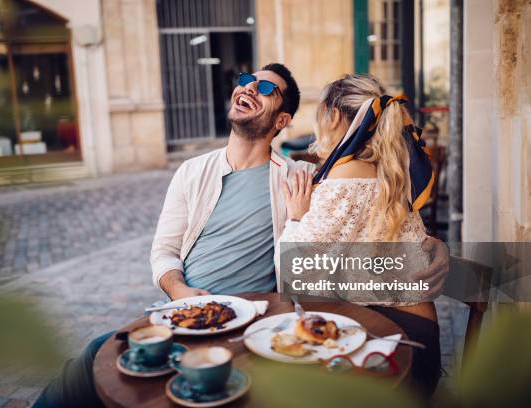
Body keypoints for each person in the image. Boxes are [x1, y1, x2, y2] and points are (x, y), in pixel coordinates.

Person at [33, 65, 448, 407]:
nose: (249, 86)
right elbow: (163, 250)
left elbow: (340, 244)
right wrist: (178, 289)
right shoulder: (191, 172)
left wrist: (431, 258)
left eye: (266, 87)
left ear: (283, 121)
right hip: (187, 313)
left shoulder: (305, 179)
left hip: (257, 319)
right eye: (245, 79)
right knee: (95, 357)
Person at [279, 74, 443, 396]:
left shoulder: (343, 177)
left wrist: (296, 219)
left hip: (395, 348)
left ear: (335, 116)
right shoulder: (390, 169)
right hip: (421, 339)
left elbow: (293, 273)